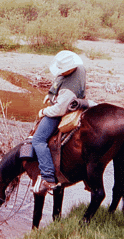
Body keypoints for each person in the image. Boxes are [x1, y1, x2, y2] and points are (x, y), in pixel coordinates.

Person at [32, 50, 86, 196]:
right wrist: (49, 95)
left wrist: (43, 112)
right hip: (69, 100)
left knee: (38, 140)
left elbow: (59, 110)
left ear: (69, 68)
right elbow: (60, 81)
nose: (61, 72)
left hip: (65, 108)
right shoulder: (80, 67)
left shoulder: (69, 91)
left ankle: (48, 176)